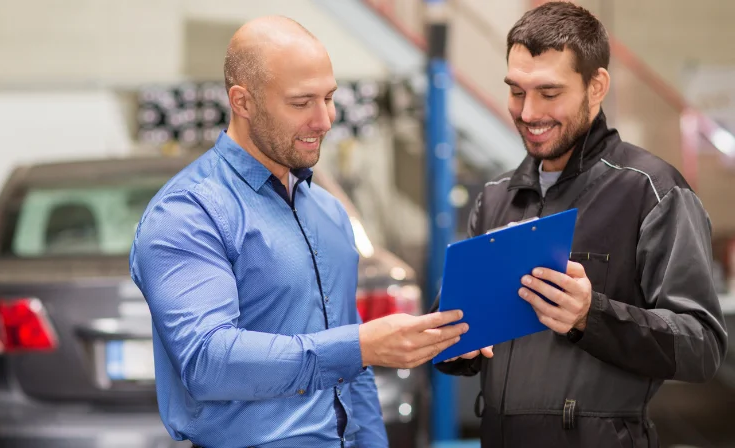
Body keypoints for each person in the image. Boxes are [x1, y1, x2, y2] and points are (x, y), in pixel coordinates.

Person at [129, 15, 468, 448]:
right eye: (301, 102)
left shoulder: (329, 211)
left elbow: (353, 373)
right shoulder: (189, 212)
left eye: (329, 98)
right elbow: (207, 361)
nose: (325, 120)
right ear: (243, 101)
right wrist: (358, 346)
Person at [432, 2, 728, 447]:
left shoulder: (652, 191)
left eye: (549, 93)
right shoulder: (496, 197)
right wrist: (454, 339)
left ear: (597, 86)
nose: (528, 112)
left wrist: (593, 316)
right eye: (516, 91)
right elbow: (456, 334)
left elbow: (702, 346)